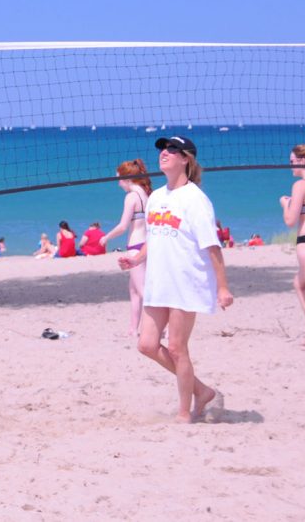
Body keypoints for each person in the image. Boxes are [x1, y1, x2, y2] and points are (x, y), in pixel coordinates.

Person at [118, 136, 233, 423]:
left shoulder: (196, 200)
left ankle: (184, 412)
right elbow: (154, 238)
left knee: (177, 348)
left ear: (186, 160)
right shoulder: (156, 197)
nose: (164, 153)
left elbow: (212, 247)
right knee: (146, 344)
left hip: (186, 281)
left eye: (172, 150)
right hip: (159, 281)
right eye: (162, 149)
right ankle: (202, 390)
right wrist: (136, 258)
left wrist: (222, 287)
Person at [99, 158, 152, 336]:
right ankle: (132, 329)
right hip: (148, 245)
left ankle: (164, 327)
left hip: (136, 247)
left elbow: (123, 226)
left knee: (143, 291)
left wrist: (106, 237)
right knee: (134, 290)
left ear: (127, 178)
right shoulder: (147, 194)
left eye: (119, 179)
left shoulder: (131, 197)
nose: (118, 184)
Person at [279, 139, 305, 345]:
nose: (290, 165)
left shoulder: (300, 185)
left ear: (302, 161)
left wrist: (285, 204)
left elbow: (290, 221)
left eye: (292, 161)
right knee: (299, 284)